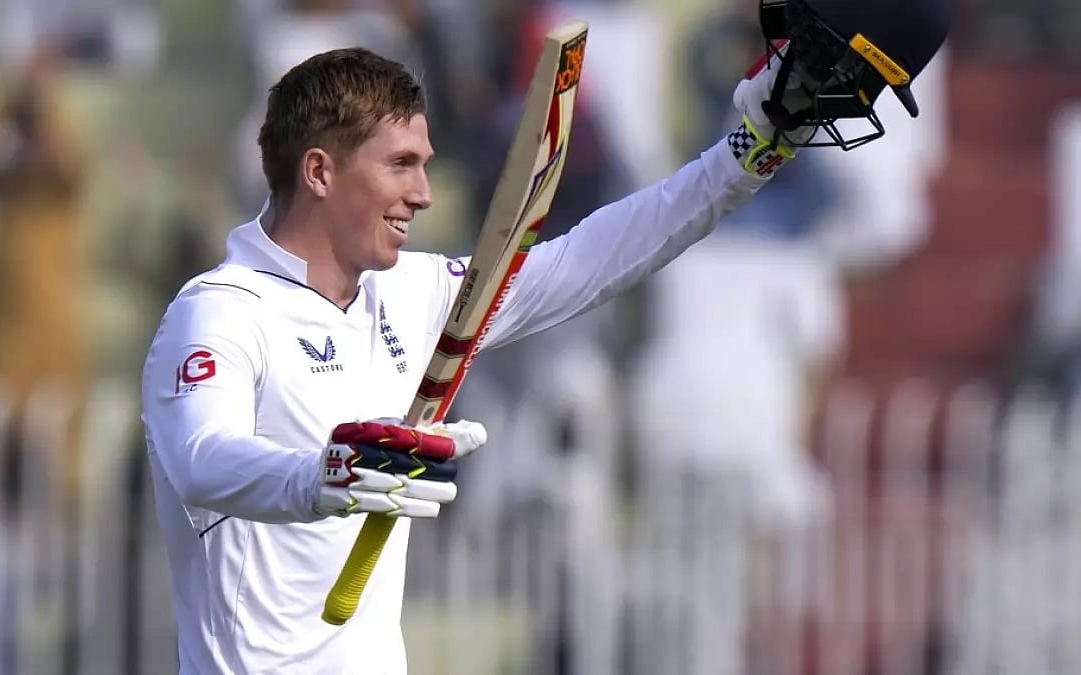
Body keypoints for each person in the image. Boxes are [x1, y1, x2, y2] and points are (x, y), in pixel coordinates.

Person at [140, 2, 948, 668]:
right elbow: (202, 461)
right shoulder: (219, 311)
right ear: (318, 171)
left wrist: (744, 157)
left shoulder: (413, 293)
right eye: (398, 166)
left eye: (426, 163)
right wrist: (323, 476)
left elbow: (594, 259)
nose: (424, 194)